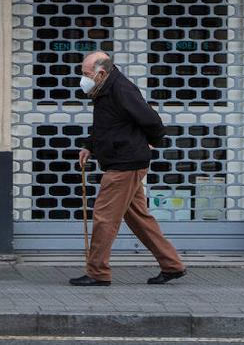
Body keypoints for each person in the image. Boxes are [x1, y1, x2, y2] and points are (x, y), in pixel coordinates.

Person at [69, 51, 187, 287]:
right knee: (140, 219)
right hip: (125, 161)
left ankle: (97, 272)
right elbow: (108, 125)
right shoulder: (104, 89)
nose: (83, 78)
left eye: (86, 74)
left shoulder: (121, 90)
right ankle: (172, 265)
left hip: (125, 164)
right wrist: (89, 146)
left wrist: (154, 139)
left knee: (104, 218)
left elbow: (151, 120)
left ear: (100, 73)